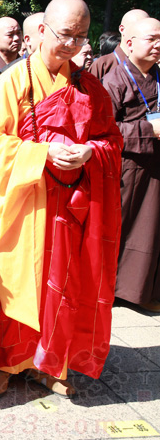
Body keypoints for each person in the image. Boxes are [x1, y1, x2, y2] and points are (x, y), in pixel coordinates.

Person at [0, 0, 123, 399]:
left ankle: (50, 363)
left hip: (69, 206)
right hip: (24, 204)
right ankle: (5, 361)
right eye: (64, 35)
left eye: (80, 36)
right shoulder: (13, 81)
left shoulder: (89, 86)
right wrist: (41, 152)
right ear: (41, 31)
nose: (73, 45)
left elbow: (110, 138)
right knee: (13, 283)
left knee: (65, 287)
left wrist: (91, 151)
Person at [102, 17, 160, 313]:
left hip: (156, 166)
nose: (158, 45)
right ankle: (115, 289)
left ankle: (144, 289)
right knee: (125, 228)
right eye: (151, 39)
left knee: (153, 229)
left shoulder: (159, 76)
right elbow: (103, 130)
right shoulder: (114, 80)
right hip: (127, 169)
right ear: (129, 42)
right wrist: (150, 130)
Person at [89, 9, 149, 81]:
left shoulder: (150, 65)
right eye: (138, 28)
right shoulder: (103, 64)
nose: (143, 33)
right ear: (122, 29)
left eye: (147, 29)